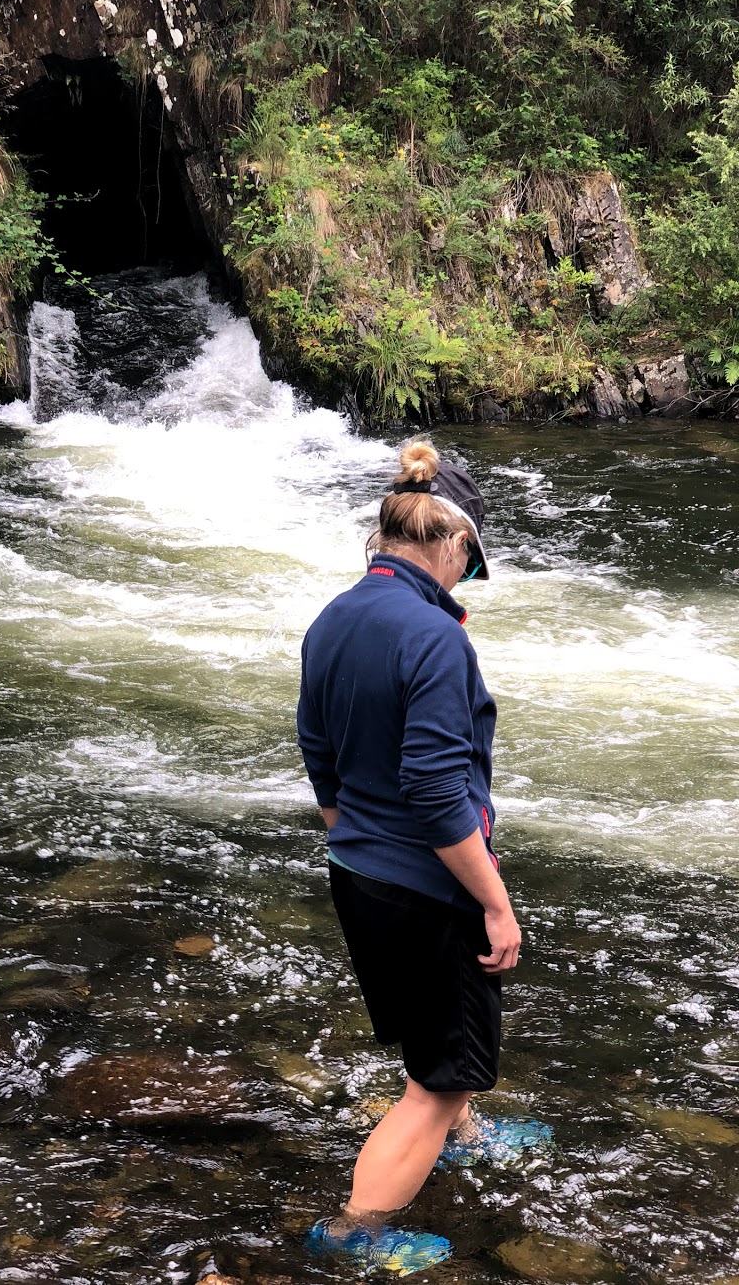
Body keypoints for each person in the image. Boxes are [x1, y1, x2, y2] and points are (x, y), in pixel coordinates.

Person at [296, 439, 550, 1275]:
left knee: (441, 1035)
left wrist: (357, 839)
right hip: (427, 880)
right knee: (434, 1081)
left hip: (359, 869)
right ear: (454, 544)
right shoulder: (438, 641)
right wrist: (495, 900)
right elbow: (440, 792)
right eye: (471, 565)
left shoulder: (334, 616)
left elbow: (319, 752)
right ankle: (355, 1230)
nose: (465, 580)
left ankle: (466, 1133)